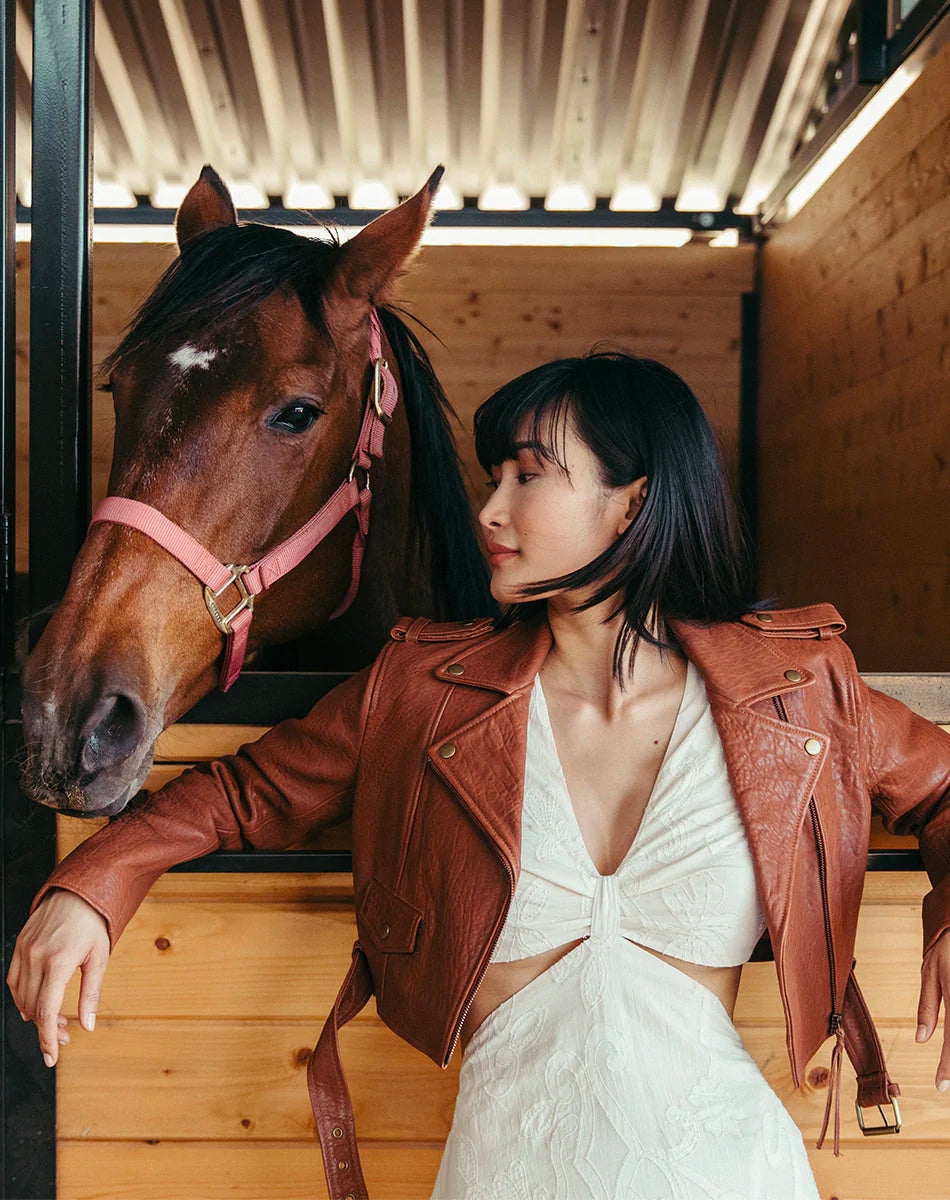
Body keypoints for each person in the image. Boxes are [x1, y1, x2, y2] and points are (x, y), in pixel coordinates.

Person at [9, 349, 950, 1200]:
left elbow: (942, 788)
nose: (491, 510)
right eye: (493, 477)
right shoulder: (424, 690)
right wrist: (95, 882)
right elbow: (243, 796)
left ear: (632, 503)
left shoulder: (793, 693)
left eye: (528, 476)